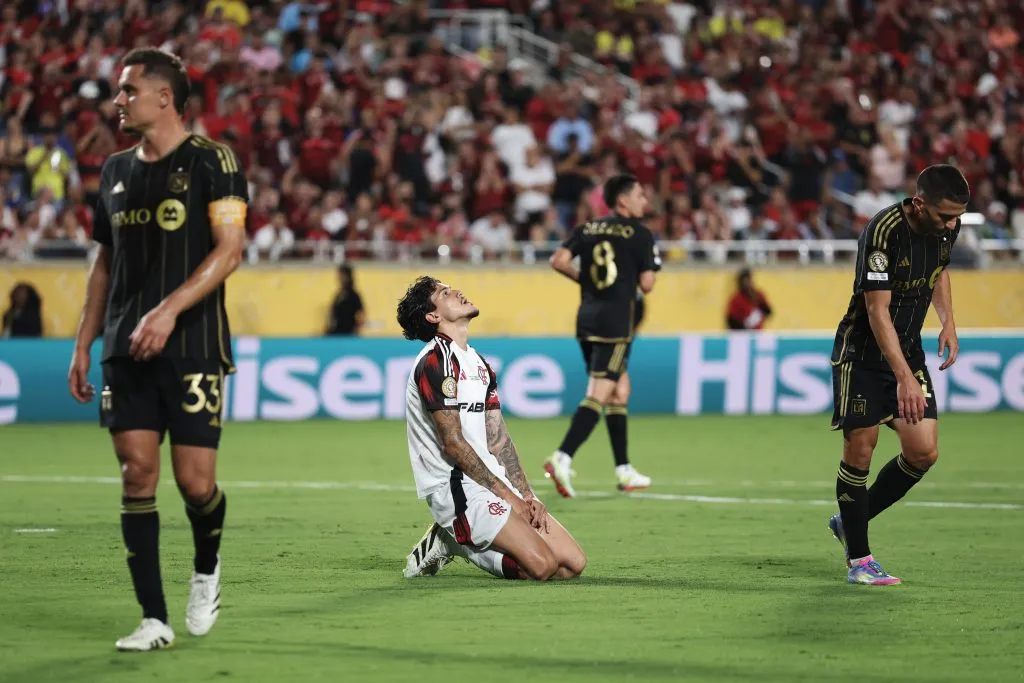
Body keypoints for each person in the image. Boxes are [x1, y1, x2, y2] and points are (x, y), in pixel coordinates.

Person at [66, 48, 249, 650]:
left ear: (163, 97)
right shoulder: (114, 170)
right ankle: (153, 618)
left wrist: (169, 310)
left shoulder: (213, 160)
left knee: (196, 485)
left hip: (193, 343)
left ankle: (206, 568)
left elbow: (230, 250)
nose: (116, 100)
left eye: (126, 90)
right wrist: (84, 342)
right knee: (136, 474)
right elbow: (103, 265)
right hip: (124, 346)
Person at [827, 164, 968, 586]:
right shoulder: (883, 232)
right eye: (945, 216)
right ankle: (859, 560)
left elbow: (939, 270)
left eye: (957, 216)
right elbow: (877, 312)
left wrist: (948, 321)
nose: (952, 224)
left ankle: (849, 521)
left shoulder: (946, 227)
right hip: (863, 354)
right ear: (920, 203)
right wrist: (904, 377)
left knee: (923, 451)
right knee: (862, 448)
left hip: (907, 350)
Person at [396, 276, 587, 581]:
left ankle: (458, 535)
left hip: (489, 478)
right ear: (433, 316)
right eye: (445, 293)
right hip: (456, 486)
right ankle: (458, 543)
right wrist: (509, 499)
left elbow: (498, 441)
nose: (457, 291)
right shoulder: (436, 362)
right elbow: (453, 445)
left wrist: (527, 494)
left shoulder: (479, 363)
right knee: (542, 567)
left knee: (573, 564)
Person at [545, 174, 661, 498]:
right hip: (615, 323)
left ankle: (624, 470)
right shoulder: (640, 234)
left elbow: (559, 261)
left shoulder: (588, 228)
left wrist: (588, 282)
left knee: (619, 391)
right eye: (639, 195)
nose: (644, 201)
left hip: (586, 320)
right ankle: (562, 457)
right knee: (599, 392)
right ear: (622, 200)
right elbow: (648, 285)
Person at [326, 264, 365, 335]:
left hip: (348, 333)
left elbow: (362, 314)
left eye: (341, 275)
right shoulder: (338, 295)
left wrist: (356, 330)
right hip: (337, 331)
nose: (339, 278)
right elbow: (333, 314)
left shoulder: (353, 295)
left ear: (348, 277)